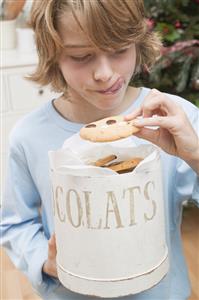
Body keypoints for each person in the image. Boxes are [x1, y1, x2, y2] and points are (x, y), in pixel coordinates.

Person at [1, 0, 198, 299]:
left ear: (137, 43)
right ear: (53, 55)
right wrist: (45, 261)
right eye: (81, 56)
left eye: (119, 50)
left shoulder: (174, 118)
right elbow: (15, 223)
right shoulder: (29, 136)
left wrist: (194, 153)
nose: (104, 73)